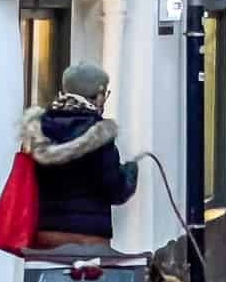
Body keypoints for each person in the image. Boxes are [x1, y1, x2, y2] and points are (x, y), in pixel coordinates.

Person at [20, 63, 139, 249]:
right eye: (105, 94)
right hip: (89, 237)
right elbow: (115, 191)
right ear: (98, 95)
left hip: (46, 234)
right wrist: (130, 173)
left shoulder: (39, 129)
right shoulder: (99, 133)